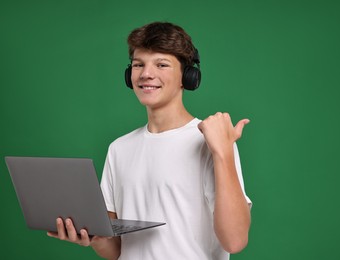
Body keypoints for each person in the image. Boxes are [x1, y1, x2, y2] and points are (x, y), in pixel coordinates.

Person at [47, 21, 252, 260]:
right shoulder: (119, 149)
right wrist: (95, 239)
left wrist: (223, 152)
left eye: (161, 64)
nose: (146, 74)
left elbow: (235, 241)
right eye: (138, 65)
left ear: (187, 76)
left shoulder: (212, 142)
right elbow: (117, 251)